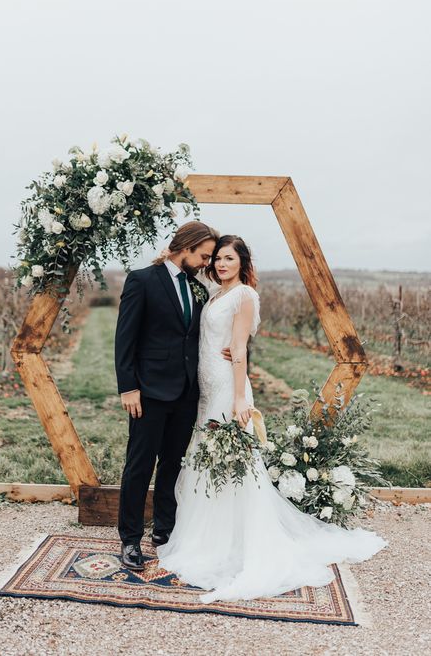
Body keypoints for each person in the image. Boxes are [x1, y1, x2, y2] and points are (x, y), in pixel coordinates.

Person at [157, 235, 388, 603]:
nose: (220, 264)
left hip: (227, 390)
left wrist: (237, 399)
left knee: (230, 465)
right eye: (217, 258)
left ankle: (231, 542)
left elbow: (241, 348)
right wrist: (168, 254)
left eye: (229, 258)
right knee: (206, 458)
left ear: (242, 261)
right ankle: (210, 534)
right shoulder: (215, 292)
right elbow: (183, 270)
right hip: (206, 387)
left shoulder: (244, 296)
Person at [115, 221, 221, 571]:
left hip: (187, 392)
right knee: (140, 464)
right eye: (203, 255)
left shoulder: (197, 285)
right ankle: (130, 539)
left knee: (173, 465)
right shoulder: (142, 280)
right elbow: (125, 338)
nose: (206, 262)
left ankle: (164, 530)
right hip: (148, 392)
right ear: (185, 247)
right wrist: (128, 387)